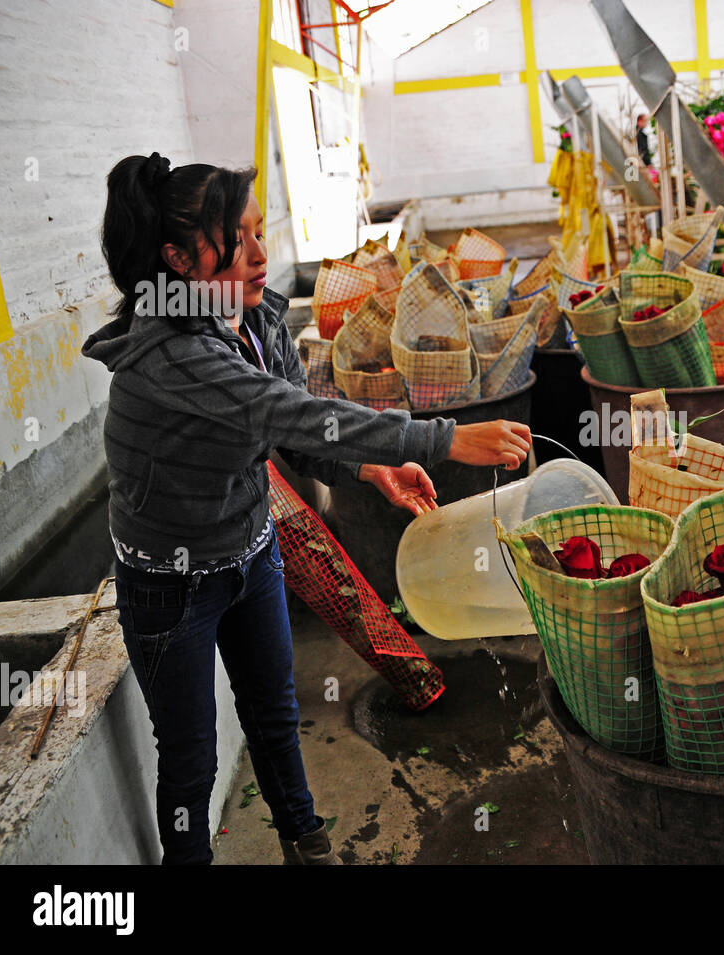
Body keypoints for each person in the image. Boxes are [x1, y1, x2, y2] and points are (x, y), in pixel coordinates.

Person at [83, 153, 532, 865]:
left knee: (274, 715)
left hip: (250, 549)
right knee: (192, 758)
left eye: (261, 231)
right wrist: (445, 437)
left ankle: (306, 840)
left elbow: (305, 426)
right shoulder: (171, 354)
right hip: (171, 587)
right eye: (238, 239)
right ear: (176, 258)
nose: (261, 255)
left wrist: (370, 466)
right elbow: (281, 409)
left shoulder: (254, 316)